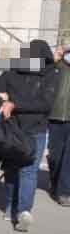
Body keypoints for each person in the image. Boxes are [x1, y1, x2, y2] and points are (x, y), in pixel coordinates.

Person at [0, 40, 57, 231]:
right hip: (24, 128)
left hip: (25, 129)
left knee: (21, 169)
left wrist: (11, 102)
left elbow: (44, 104)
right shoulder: (17, 72)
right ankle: (18, 209)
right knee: (20, 169)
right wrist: (2, 101)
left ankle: (19, 209)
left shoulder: (45, 74)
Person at [45, 44, 70, 206]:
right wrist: (52, 60)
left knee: (68, 157)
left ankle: (64, 191)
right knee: (55, 155)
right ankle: (55, 183)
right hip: (54, 116)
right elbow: (40, 72)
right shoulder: (57, 65)